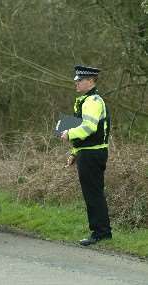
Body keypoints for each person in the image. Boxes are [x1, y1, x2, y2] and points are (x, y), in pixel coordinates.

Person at [61, 65, 112, 246]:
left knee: (93, 194)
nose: (76, 83)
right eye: (76, 80)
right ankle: (101, 231)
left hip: (93, 153)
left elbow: (88, 128)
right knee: (92, 193)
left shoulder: (92, 101)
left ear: (90, 81)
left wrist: (69, 134)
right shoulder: (85, 100)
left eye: (80, 80)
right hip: (88, 152)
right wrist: (75, 152)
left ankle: (101, 233)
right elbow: (86, 132)